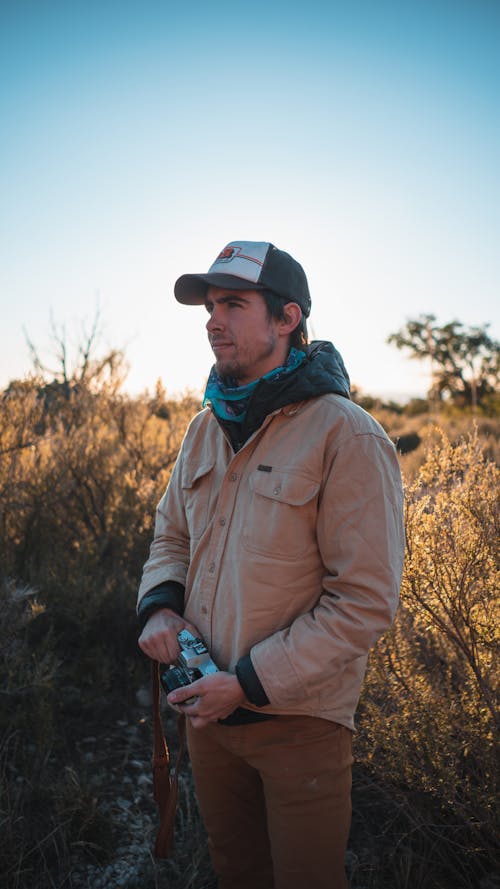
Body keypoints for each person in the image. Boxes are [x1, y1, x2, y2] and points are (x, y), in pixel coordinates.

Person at [137, 240, 405, 889]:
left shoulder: (347, 434)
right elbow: (171, 534)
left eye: (232, 303)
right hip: (205, 715)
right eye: (209, 305)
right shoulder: (204, 427)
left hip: (300, 727)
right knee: (237, 873)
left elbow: (365, 601)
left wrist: (249, 682)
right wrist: (162, 605)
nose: (212, 319)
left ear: (287, 318)